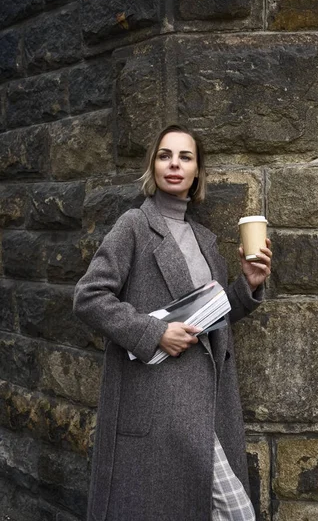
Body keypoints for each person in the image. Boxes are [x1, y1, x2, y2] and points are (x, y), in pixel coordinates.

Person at [73, 124, 272, 521]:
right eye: (165, 156)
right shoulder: (134, 225)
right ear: (154, 165)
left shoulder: (205, 239)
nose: (175, 165)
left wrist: (247, 285)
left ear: (197, 170)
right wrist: (154, 332)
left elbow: (213, 317)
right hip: (158, 404)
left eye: (185, 157)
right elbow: (88, 297)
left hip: (209, 405)